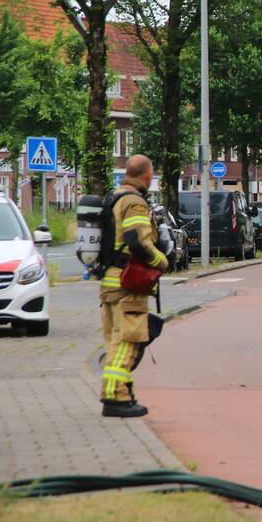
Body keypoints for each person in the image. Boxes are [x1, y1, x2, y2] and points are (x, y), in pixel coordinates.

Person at [99, 154, 169, 418]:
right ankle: (115, 397)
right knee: (128, 341)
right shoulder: (134, 203)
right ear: (148, 176)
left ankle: (122, 394)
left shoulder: (113, 197)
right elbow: (138, 242)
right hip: (128, 283)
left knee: (115, 341)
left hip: (109, 282)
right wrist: (161, 261)